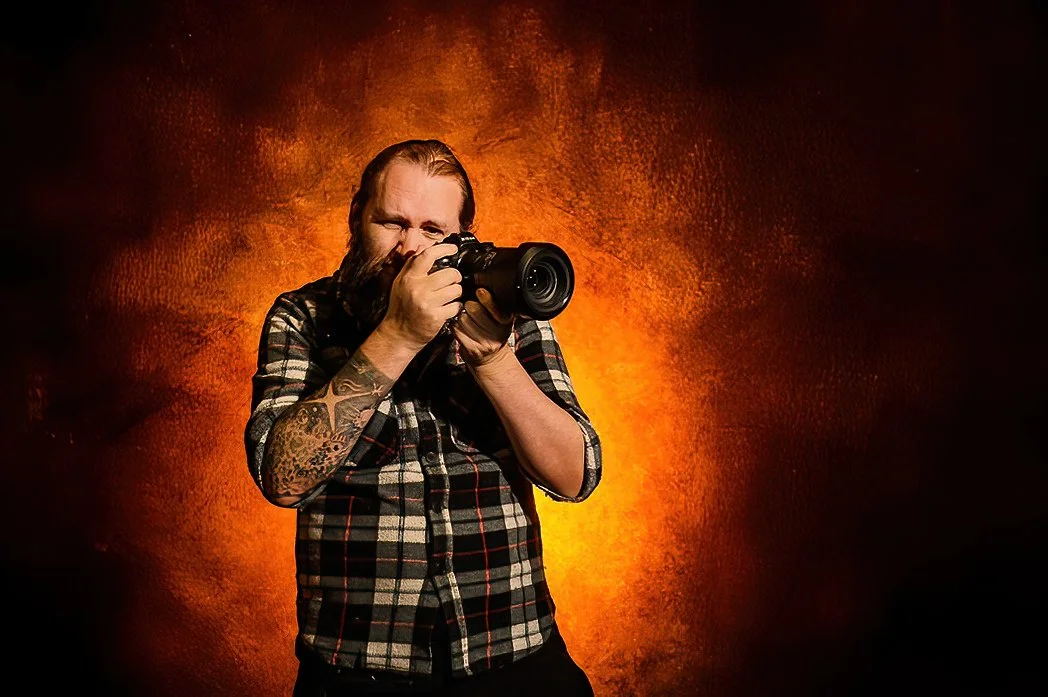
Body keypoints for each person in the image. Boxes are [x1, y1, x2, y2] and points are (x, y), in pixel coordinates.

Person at [244, 139, 602, 696]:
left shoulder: (503, 316)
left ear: (462, 237)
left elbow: (575, 477)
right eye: (392, 222)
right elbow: (282, 478)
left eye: (433, 230)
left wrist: (495, 361)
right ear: (357, 215)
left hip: (514, 655)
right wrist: (397, 336)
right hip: (360, 668)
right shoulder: (303, 317)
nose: (410, 248)